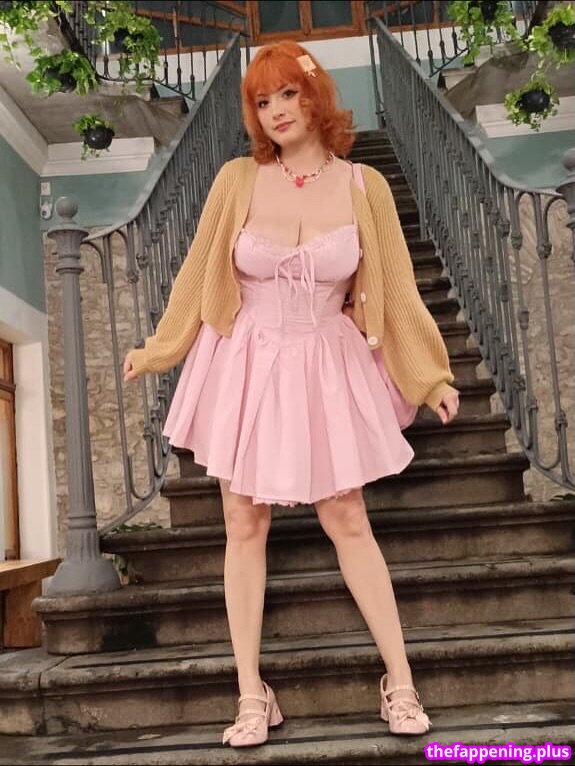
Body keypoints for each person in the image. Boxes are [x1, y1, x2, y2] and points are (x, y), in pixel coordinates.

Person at [123, 40, 460, 747]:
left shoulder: (364, 185)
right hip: (244, 360)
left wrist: (430, 376)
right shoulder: (236, 179)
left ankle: (400, 682)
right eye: (262, 100)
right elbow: (197, 272)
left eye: (287, 94)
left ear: (315, 98)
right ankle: (252, 694)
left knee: (347, 516)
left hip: (325, 360)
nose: (275, 110)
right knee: (242, 523)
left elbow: (398, 290)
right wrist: (160, 347)